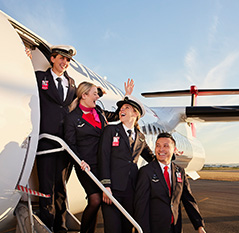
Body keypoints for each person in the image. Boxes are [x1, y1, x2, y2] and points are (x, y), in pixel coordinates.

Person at [63, 79, 134, 233]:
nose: (97, 97)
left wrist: (126, 97)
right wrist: (79, 160)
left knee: (102, 199)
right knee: (95, 199)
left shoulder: (99, 113)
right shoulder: (72, 118)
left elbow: (118, 115)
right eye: (95, 94)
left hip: (103, 162)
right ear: (84, 96)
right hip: (85, 164)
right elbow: (70, 143)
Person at [98, 95, 155, 233]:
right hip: (113, 189)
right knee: (112, 228)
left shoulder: (140, 137)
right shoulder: (110, 131)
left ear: (136, 113)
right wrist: (106, 186)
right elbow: (103, 158)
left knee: (127, 228)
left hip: (131, 190)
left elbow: (151, 158)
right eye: (121, 108)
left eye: (126, 108)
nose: (121, 110)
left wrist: (170, 156)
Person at [36, 45, 76, 232]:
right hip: (46, 141)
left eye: (67, 60)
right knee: (46, 187)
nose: (64, 62)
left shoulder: (72, 83)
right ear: (52, 59)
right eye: (61, 58)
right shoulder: (39, 78)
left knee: (61, 188)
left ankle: (60, 227)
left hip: (64, 144)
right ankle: (47, 225)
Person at [134, 133, 206, 233]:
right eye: (158, 145)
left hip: (175, 227)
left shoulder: (179, 171)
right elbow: (141, 206)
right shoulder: (146, 172)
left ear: (174, 149)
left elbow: (188, 199)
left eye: (165, 146)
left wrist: (199, 225)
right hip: (154, 228)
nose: (161, 149)